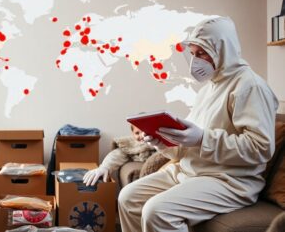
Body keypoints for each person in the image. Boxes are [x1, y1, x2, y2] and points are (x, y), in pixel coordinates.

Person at [118, 17, 279, 232]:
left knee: (157, 212)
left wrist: (203, 139)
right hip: (191, 172)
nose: (196, 61)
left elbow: (261, 149)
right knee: (128, 198)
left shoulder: (250, 86)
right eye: (193, 54)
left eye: (202, 53)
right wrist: (162, 143)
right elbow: (188, 146)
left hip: (230, 180)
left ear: (223, 49)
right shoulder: (208, 89)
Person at [83, 125, 155, 186]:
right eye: (137, 133)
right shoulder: (130, 144)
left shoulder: (158, 143)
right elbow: (117, 155)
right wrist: (105, 167)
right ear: (133, 134)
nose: (141, 136)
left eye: (144, 132)